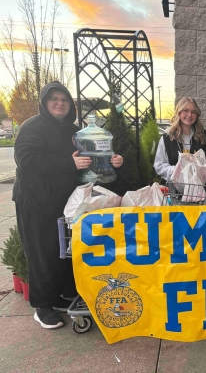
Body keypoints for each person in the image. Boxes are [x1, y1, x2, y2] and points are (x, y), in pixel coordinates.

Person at [13, 81, 124, 329]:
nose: (60, 103)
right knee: (41, 252)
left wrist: (113, 163)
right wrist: (67, 164)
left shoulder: (73, 131)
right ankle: (42, 306)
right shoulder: (33, 127)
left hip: (63, 201)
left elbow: (92, 161)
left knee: (62, 251)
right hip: (35, 201)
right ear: (44, 102)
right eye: (54, 99)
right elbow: (27, 161)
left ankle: (61, 296)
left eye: (64, 99)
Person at [154, 97, 206, 182]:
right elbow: (159, 165)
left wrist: (202, 170)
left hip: (199, 190)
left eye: (193, 112)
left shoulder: (204, 135)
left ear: (197, 115)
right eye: (185, 110)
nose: (189, 115)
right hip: (173, 190)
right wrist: (178, 170)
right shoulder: (167, 137)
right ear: (178, 112)